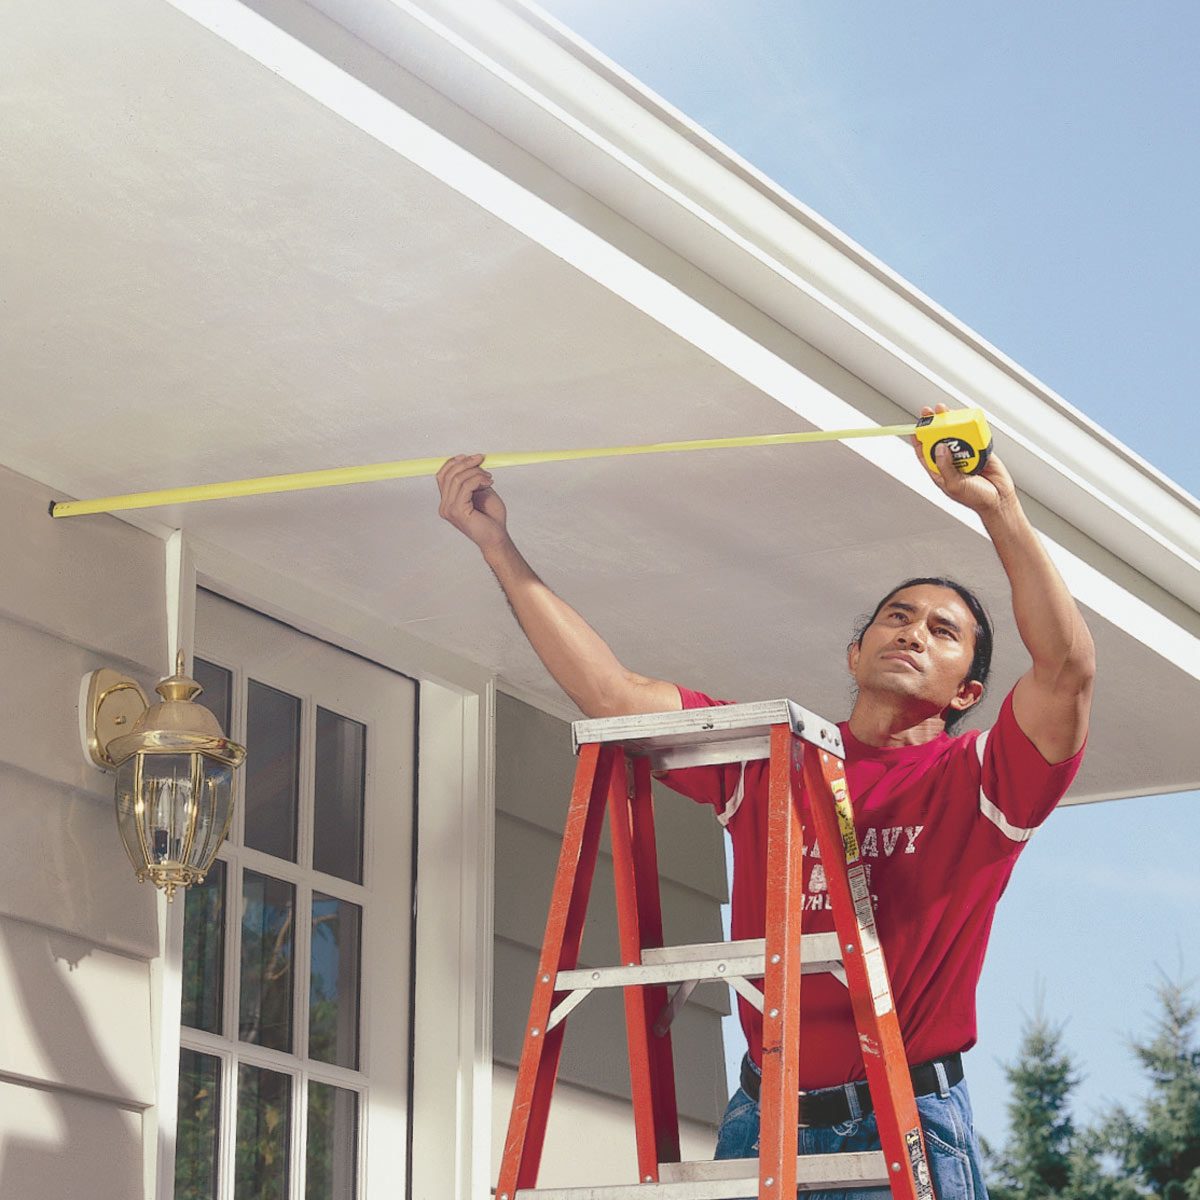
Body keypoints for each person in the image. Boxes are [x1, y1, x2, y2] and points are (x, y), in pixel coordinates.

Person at [436, 404, 1095, 1199]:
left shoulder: (985, 780)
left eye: (942, 631)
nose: (913, 632)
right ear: (856, 653)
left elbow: (1065, 670)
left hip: (901, 1122)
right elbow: (611, 693)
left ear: (969, 690)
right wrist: (496, 545)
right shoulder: (775, 756)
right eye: (897, 616)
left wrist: (1001, 511)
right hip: (763, 1118)